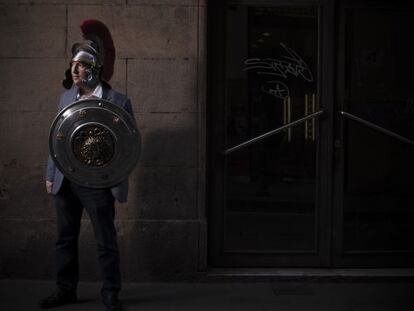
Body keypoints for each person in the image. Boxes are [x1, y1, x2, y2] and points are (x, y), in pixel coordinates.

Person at [39, 20, 134, 311]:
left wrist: (117, 181)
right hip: (66, 180)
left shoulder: (118, 100)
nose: (74, 71)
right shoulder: (66, 98)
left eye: (80, 65)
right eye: (72, 66)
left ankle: (110, 292)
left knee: (105, 241)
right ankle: (65, 289)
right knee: (64, 240)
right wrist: (50, 174)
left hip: (99, 182)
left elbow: (127, 146)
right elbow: (58, 138)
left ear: (94, 67)